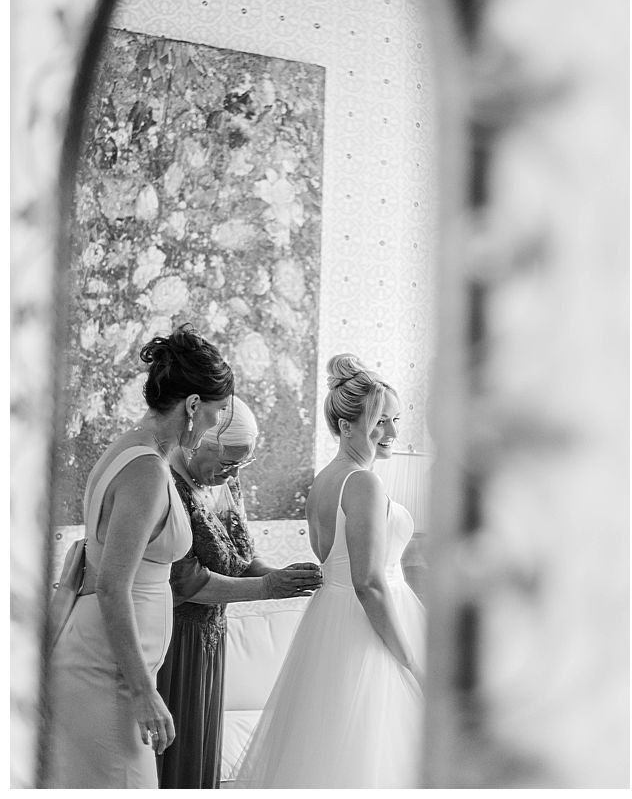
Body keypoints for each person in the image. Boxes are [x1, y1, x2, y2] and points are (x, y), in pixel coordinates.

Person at [47, 329, 234, 787]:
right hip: (105, 671)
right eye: (213, 414)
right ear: (192, 405)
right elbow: (113, 586)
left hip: (106, 663)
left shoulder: (130, 450)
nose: (212, 427)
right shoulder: (147, 471)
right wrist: (144, 691)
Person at [233, 355, 424, 788]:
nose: (392, 433)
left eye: (394, 420)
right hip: (368, 633)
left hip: (332, 626)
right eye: (380, 422)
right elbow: (369, 584)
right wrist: (412, 662)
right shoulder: (362, 483)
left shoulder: (324, 480)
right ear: (345, 426)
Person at [155, 395, 323, 788]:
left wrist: (282, 577)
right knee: (173, 754)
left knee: (201, 752)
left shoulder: (226, 482)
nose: (233, 474)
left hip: (211, 637)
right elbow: (186, 581)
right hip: (172, 638)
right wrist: (268, 587)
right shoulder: (166, 484)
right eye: (229, 462)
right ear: (197, 442)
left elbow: (241, 555)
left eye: (241, 464)